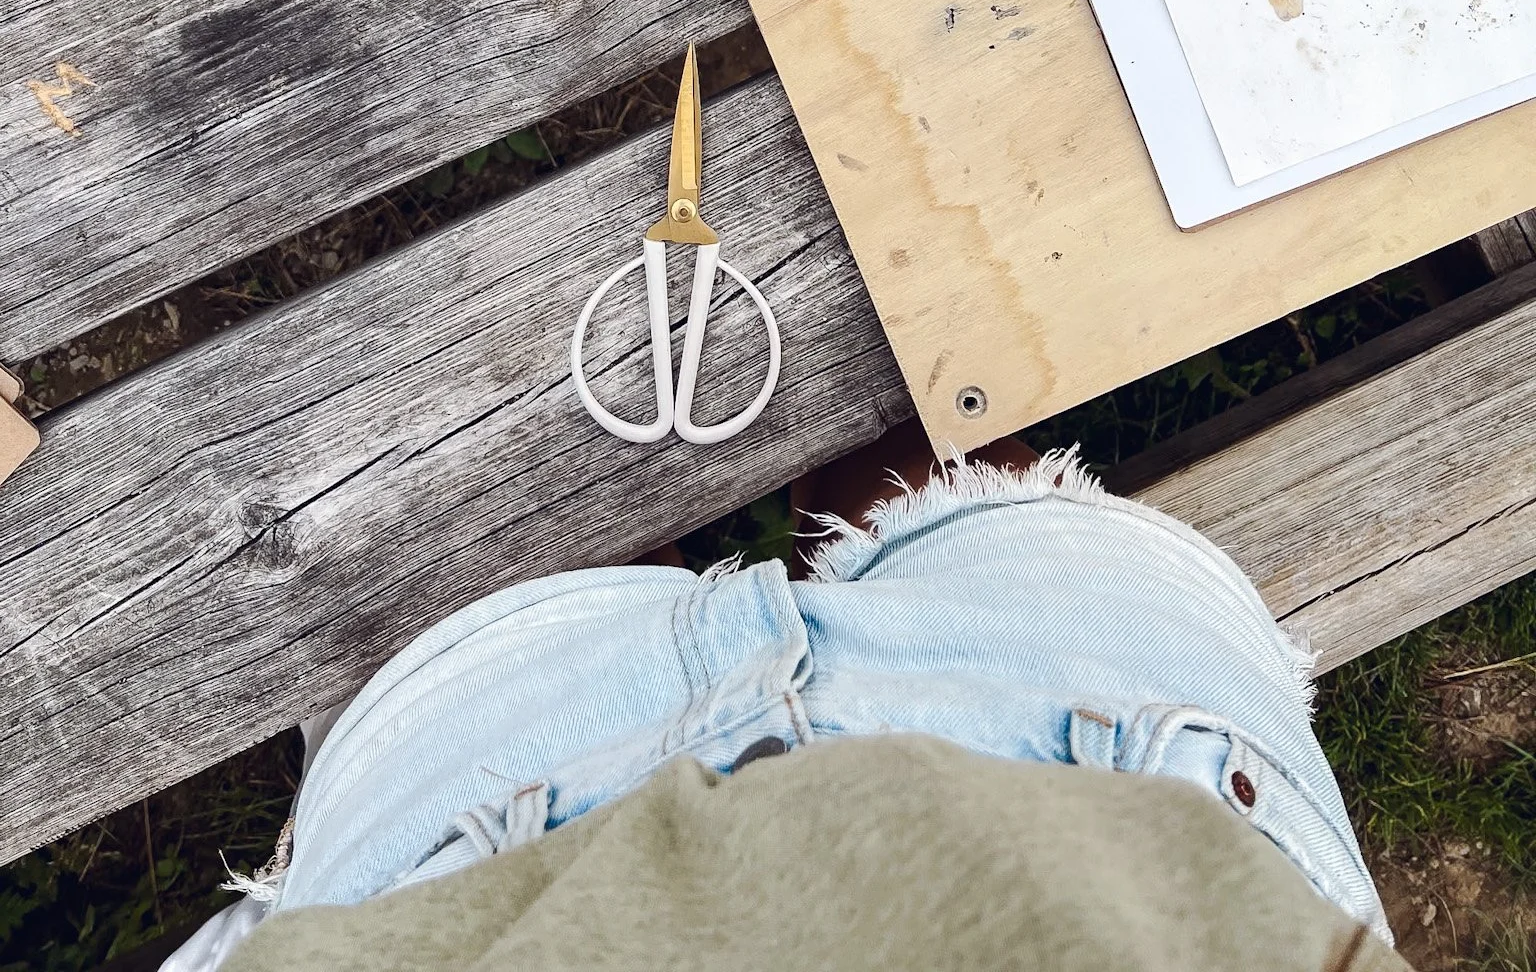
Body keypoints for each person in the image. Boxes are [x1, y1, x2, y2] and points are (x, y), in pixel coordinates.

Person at [166, 426, 1404, 971]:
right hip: (1118, 735)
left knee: (516, 528)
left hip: (479, 810)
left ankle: (610, 563)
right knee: (923, 450)